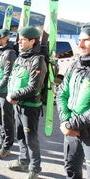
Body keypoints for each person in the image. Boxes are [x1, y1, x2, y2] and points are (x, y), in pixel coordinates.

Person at [6, 26, 47, 179]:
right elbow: (12, 77)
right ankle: (23, 161)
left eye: (22, 40)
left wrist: (14, 95)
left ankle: (35, 169)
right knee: (20, 136)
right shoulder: (20, 57)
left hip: (30, 107)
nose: (19, 42)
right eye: (19, 39)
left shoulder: (38, 60)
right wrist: (11, 93)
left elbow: (34, 87)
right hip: (18, 104)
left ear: (32, 41)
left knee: (31, 139)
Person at [56, 23, 90, 179]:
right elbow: (62, 92)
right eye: (80, 39)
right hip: (71, 128)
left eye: (86, 40)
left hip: (86, 130)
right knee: (71, 170)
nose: (80, 44)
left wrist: (71, 124)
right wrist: (66, 121)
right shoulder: (75, 65)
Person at [0, 29, 17, 159]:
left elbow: (8, 75)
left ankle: (7, 147)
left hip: (4, 92)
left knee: (7, 120)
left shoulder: (10, 53)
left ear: (4, 38)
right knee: (0, 117)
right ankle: (2, 140)